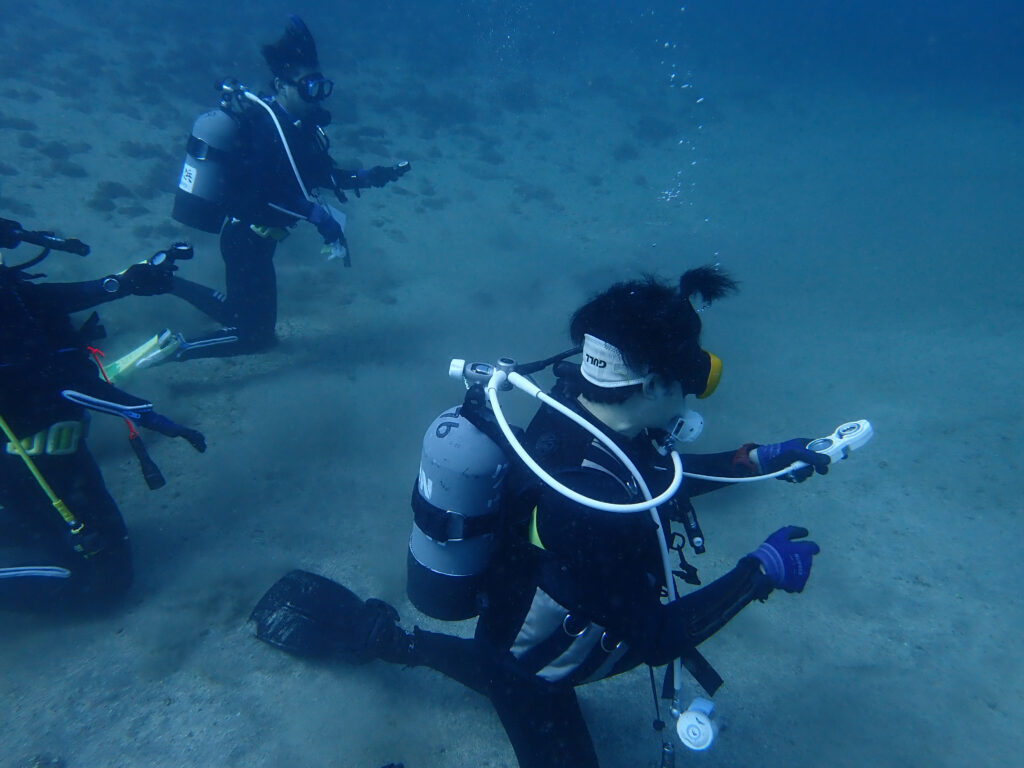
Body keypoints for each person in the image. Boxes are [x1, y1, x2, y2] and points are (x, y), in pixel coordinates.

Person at [250, 266, 832, 768]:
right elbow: (658, 638)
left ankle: (396, 640)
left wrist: (755, 462)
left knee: (498, 657)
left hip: (518, 614)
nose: (697, 385)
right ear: (651, 383)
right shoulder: (586, 503)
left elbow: (653, 484)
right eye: (690, 373)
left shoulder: (578, 411)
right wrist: (759, 573)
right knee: (515, 676)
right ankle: (385, 640)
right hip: (532, 661)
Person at [159, 14, 410, 361]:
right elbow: (262, 194)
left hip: (257, 242)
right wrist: (317, 216)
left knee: (241, 314)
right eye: (309, 87)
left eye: (322, 86)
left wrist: (372, 176)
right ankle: (174, 350)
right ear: (281, 86)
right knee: (256, 336)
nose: (317, 96)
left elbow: (326, 177)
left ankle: (164, 279)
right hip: (246, 239)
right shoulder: (267, 130)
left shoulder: (301, 130)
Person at [0, 217, 206, 612]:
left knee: (113, 550)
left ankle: (23, 526)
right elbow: (51, 379)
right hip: (27, 466)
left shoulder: (7, 294)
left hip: (55, 456)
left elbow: (36, 302)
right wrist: (147, 415)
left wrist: (120, 284)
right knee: (101, 585)